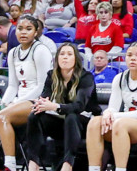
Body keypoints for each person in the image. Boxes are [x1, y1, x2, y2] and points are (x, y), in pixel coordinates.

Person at [0, 15, 52, 171]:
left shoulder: (41, 50)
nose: (23, 32)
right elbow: (13, 85)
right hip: (18, 101)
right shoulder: (13, 52)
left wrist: (13, 105)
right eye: (20, 28)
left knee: (3, 116)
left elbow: (42, 86)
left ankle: (10, 165)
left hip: (38, 102)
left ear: (35, 32)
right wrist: (4, 103)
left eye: (28, 29)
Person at [85, 41, 137, 171]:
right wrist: (107, 113)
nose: (133, 58)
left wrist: (113, 115)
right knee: (95, 122)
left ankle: (120, 169)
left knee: (120, 124)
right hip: (126, 124)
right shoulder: (119, 78)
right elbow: (113, 107)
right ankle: (94, 169)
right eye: (129, 55)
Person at [23, 42, 100, 171]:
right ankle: (33, 163)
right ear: (57, 58)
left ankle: (67, 165)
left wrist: (54, 106)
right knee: (34, 116)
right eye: (62, 54)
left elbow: (79, 107)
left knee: (71, 116)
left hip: (87, 124)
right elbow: (44, 99)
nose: (65, 57)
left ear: (76, 59)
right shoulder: (51, 75)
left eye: (69, 54)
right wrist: (39, 104)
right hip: (63, 121)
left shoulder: (86, 77)